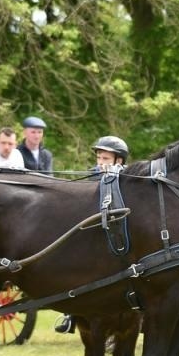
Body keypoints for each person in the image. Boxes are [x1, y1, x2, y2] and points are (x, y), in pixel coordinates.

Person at [57, 135, 129, 335]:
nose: (100, 163)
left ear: (119, 160)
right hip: (92, 236)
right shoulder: (90, 178)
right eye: (99, 158)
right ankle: (70, 314)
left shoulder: (127, 180)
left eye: (105, 159)